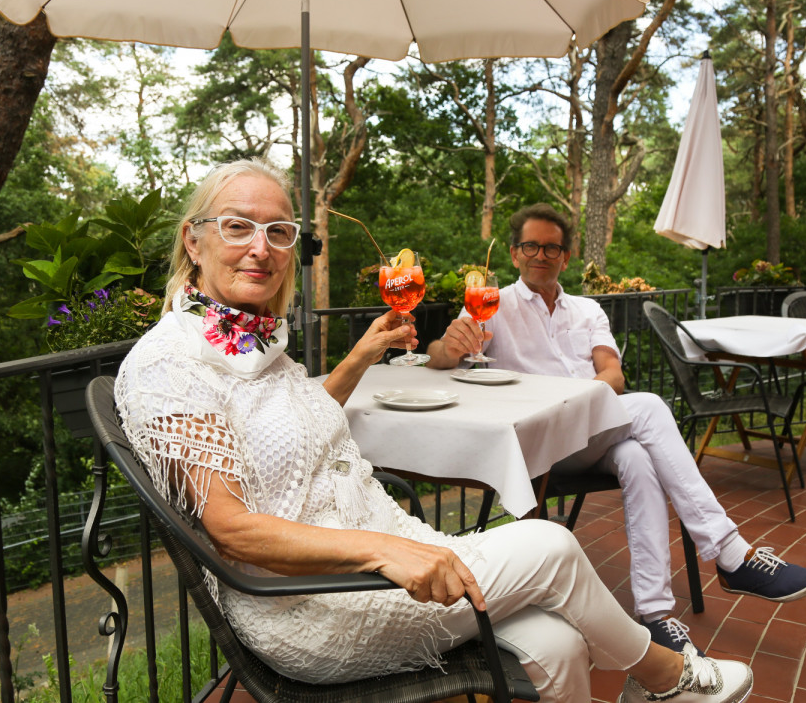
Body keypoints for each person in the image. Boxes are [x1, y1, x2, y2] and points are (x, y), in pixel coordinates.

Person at [115, 159, 754, 703]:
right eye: (238, 227)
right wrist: (382, 551)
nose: (261, 246)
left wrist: (360, 357)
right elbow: (231, 528)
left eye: (279, 231)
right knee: (549, 546)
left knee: (558, 646)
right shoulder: (172, 363)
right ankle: (669, 680)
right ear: (193, 241)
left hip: (368, 562)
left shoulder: (256, 346)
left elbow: (302, 423)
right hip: (312, 605)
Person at [427, 203, 806, 656]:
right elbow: (443, 354)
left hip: (589, 430)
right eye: (530, 246)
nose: (540, 254)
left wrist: (578, 406)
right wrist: (449, 346)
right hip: (539, 443)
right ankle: (730, 553)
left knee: (637, 456)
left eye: (551, 247)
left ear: (566, 256)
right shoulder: (494, 304)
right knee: (651, 407)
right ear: (515, 253)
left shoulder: (587, 310)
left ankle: (655, 615)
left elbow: (612, 375)